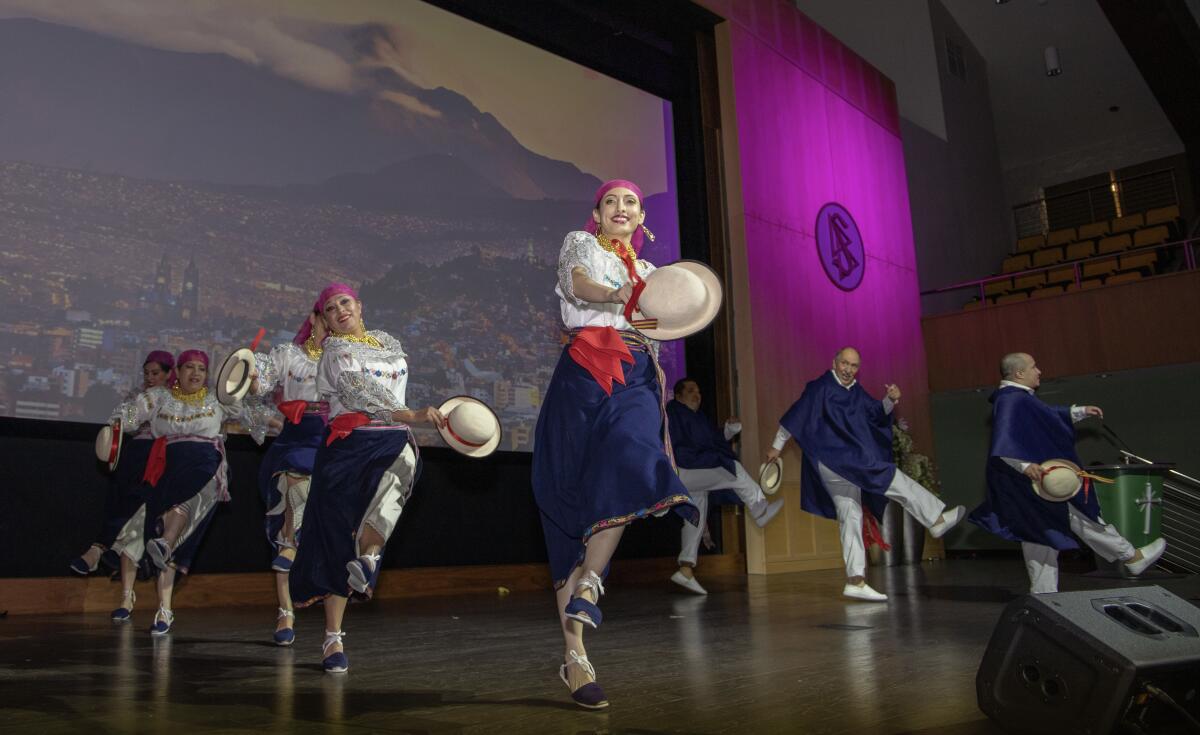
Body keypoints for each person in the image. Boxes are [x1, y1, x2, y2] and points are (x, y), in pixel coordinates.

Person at [532, 180, 699, 709]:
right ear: (598, 215)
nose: (620, 208)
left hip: (635, 374)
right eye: (611, 202)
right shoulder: (578, 246)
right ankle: (575, 656)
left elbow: (656, 326)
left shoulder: (651, 274)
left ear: (641, 217)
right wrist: (616, 294)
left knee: (632, 463)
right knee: (567, 505)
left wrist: (672, 311)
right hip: (583, 370)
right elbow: (580, 286)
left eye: (630, 202)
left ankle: (592, 584)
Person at [288, 283, 446, 674]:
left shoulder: (389, 344)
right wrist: (411, 414)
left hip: (391, 442)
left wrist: (412, 421)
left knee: (393, 490)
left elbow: (392, 390)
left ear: (359, 306)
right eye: (330, 308)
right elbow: (358, 391)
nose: (339, 310)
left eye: (345, 302)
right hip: (347, 449)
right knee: (337, 538)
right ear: (325, 321)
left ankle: (370, 558)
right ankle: (333, 637)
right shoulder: (335, 352)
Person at [766, 347, 965, 602]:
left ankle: (855, 581)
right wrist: (776, 446)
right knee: (890, 477)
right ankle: (935, 519)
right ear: (834, 362)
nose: (849, 370)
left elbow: (874, 414)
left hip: (845, 461)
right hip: (836, 457)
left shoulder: (855, 391)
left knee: (850, 513)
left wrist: (889, 400)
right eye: (845, 364)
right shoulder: (820, 387)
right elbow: (795, 416)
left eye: (854, 366)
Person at [968, 352, 1165, 593]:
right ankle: (1131, 557)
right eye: (1033, 366)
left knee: (1042, 533)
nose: (1039, 371)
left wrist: (1078, 412)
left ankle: (1046, 593)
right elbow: (1005, 438)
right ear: (1019, 373)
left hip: (1029, 484)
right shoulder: (1012, 400)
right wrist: (1024, 465)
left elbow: (1046, 417)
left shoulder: (1017, 398)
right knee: (1073, 520)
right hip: (1032, 481)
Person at [108, 349, 260, 635]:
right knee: (172, 538)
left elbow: (255, 416)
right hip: (166, 467)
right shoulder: (161, 397)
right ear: (177, 371)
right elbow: (127, 415)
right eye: (189, 367)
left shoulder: (218, 399)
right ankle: (164, 608)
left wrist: (249, 387)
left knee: (180, 510)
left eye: (201, 368)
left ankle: (165, 544)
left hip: (205, 467)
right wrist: (112, 432)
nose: (195, 373)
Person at [70, 350, 174, 623]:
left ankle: (99, 550)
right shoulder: (140, 399)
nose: (150, 378)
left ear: (168, 374)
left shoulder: (175, 399)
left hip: (160, 461)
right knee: (125, 512)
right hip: (135, 457)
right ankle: (122, 590)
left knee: (139, 526)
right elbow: (121, 422)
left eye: (156, 373)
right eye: (147, 373)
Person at [249, 307, 329, 646]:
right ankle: (285, 611)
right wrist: (250, 375)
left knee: (322, 530)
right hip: (295, 436)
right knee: (291, 489)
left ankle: (330, 631)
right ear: (313, 318)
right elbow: (259, 389)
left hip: (331, 437)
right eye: (327, 312)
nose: (336, 317)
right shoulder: (288, 355)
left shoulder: (347, 358)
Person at [666, 377, 783, 595]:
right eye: (691, 390)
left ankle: (686, 569)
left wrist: (728, 431)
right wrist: (715, 451)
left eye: (699, 390)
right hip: (683, 468)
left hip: (691, 469)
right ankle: (760, 508)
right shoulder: (674, 412)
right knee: (732, 470)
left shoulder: (696, 416)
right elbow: (687, 447)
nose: (697, 394)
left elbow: (712, 439)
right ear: (679, 395)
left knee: (696, 516)